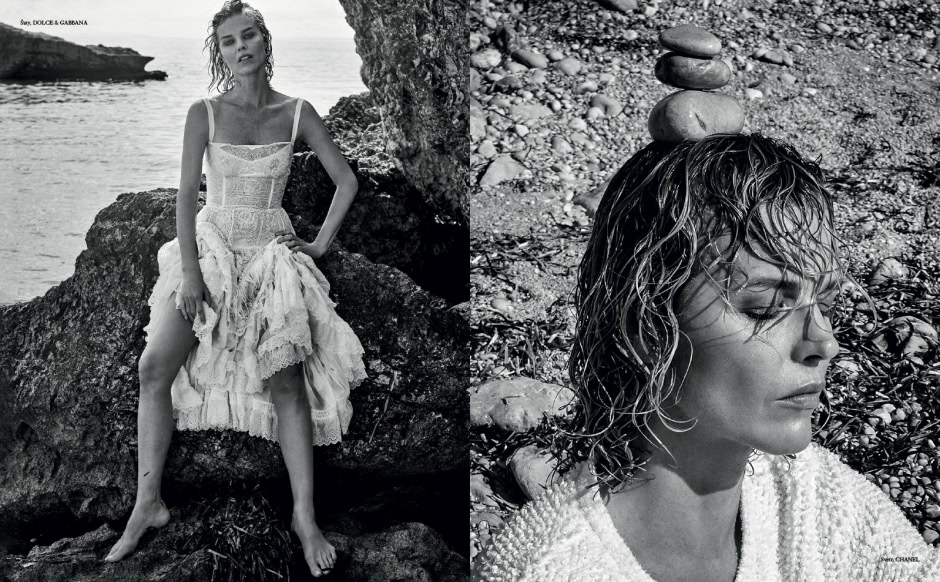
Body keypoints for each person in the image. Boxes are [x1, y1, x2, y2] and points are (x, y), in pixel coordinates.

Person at [474, 134, 939, 581]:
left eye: (827, 304)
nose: (825, 343)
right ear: (647, 327)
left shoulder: (818, 499)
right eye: (765, 308)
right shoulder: (543, 570)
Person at [103, 2, 365, 577]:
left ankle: (304, 518)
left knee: (287, 384)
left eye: (249, 36)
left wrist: (318, 245)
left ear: (265, 42)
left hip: (271, 256)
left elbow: (346, 181)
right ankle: (147, 504)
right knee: (154, 367)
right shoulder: (204, 113)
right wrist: (191, 273)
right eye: (228, 41)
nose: (241, 47)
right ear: (219, 52)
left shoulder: (297, 113)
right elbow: (185, 198)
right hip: (214, 250)